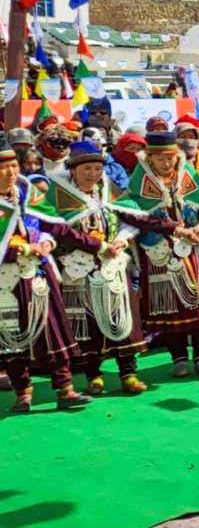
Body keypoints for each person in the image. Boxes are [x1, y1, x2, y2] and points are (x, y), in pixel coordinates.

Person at [47, 140, 151, 395]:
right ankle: (94, 375)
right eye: (86, 169)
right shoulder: (58, 192)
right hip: (78, 266)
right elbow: (55, 228)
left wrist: (121, 239)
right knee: (87, 322)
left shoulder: (108, 189)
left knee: (120, 315)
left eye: (97, 168)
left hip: (111, 263)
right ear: (73, 169)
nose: (93, 174)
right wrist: (96, 245)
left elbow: (130, 216)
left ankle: (128, 372)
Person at [0, 136, 92, 411]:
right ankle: (23, 393)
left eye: (14, 165)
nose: (11, 172)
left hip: (38, 274)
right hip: (7, 280)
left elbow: (54, 224)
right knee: (12, 335)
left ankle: (65, 389)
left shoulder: (27, 191)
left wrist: (48, 242)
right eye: (3, 167)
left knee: (51, 329)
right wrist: (21, 248)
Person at [128, 132, 199, 378]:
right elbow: (135, 215)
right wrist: (175, 229)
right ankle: (179, 358)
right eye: (160, 158)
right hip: (159, 252)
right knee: (169, 305)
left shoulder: (187, 175)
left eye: (171, 157)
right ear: (149, 157)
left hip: (193, 247)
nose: (167, 163)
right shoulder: (140, 180)